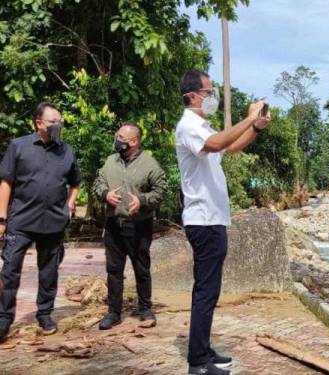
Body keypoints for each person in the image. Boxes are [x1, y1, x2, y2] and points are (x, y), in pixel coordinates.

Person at [175, 70, 271, 375]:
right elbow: (217, 144)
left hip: (213, 220)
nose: (212, 95)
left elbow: (229, 146)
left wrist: (255, 126)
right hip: (202, 221)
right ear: (192, 95)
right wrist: (247, 117)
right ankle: (197, 363)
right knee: (205, 291)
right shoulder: (189, 126)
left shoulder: (201, 127)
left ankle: (202, 350)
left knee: (209, 290)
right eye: (209, 91)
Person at [0, 102, 81, 342]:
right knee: (10, 271)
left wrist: (70, 203)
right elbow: (6, 183)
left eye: (60, 121)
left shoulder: (66, 151)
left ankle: (45, 314)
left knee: (48, 273)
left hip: (53, 223)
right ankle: (3, 319)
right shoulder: (18, 146)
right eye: (53, 121)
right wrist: (1, 219)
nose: (58, 125)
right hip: (21, 221)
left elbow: (75, 182)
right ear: (39, 123)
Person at [93, 122, 167, 330]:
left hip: (139, 226)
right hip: (114, 224)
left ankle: (145, 309)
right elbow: (97, 183)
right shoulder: (110, 161)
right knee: (114, 270)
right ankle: (113, 312)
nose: (117, 141)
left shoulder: (150, 165)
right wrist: (105, 194)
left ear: (133, 142)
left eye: (121, 138)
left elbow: (161, 192)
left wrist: (142, 200)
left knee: (141, 268)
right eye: (117, 136)